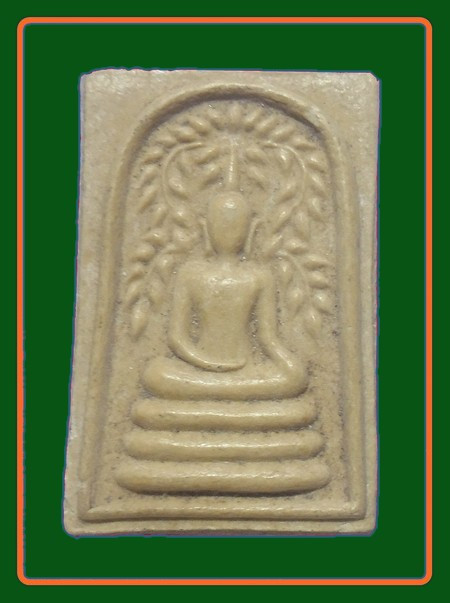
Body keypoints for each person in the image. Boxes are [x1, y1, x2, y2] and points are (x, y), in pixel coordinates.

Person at [143, 191, 307, 400]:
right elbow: (177, 338)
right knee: (156, 373)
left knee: (295, 377)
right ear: (206, 228)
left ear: (251, 230)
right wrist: (209, 364)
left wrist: (291, 368)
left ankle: (216, 393)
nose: (228, 232)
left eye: (236, 226)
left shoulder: (260, 276)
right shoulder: (189, 274)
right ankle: (232, 393)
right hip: (200, 369)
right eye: (221, 225)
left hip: (246, 370)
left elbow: (268, 339)